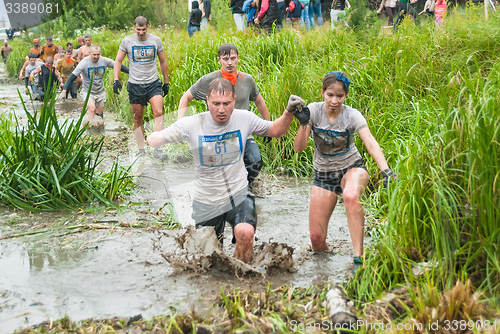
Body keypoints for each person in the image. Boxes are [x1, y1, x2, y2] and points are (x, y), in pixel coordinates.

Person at [147, 78, 302, 263]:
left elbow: (276, 129)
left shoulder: (244, 118)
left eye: (226, 103)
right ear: (207, 102)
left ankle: (242, 278)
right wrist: (165, 136)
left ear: (234, 101)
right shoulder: (193, 123)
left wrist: (288, 112)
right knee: (206, 260)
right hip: (206, 200)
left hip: (238, 193)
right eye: (216, 104)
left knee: (245, 233)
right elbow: (151, 140)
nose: (221, 109)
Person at [293, 71, 395, 272]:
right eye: (330, 95)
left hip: (352, 168)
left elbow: (370, 142)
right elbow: (299, 148)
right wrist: (304, 124)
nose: (334, 100)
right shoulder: (313, 111)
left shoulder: (351, 115)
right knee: (316, 240)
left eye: (339, 96)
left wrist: (386, 170)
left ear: (345, 96)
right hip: (323, 175)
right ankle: (325, 271)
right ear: (322, 93)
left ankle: (359, 259)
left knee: (350, 196)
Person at [178, 43, 271, 190]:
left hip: (242, 133)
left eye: (233, 58)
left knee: (255, 161)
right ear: (219, 60)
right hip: (217, 133)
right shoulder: (209, 80)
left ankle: (247, 187)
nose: (229, 62)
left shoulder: (247, 80)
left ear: (238, 59)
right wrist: (180, 124)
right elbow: (186, 97)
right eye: (225, 58)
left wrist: (268, 125)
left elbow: (259, 101)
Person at [113, 16, 170, 159]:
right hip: (135, 85)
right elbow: (118, 60)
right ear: (134, 28)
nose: (141, 32)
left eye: (144, 29)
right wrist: (116, 80)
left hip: (153, 83)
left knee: (158, 112)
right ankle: (141, 149)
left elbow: (163, 61)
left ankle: (157, 149)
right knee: (137, 117)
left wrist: (166, 82)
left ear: (147, 27)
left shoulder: (155, 41)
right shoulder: (127, 41)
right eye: (138, 29)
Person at [60, 45, 129, 122]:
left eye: (98, 54)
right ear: (89, 53)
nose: (96, 57)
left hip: (100, 91)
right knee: (92, 109)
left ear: (100, 53)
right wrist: (64, 90)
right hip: (88, 92)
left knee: (99, 114)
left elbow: (118, 65)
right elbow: (72, 76)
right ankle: (90, 129)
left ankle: (99, 130)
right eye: (94, 55)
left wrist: (131, 72)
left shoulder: (104, 61)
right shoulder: (84, 63)